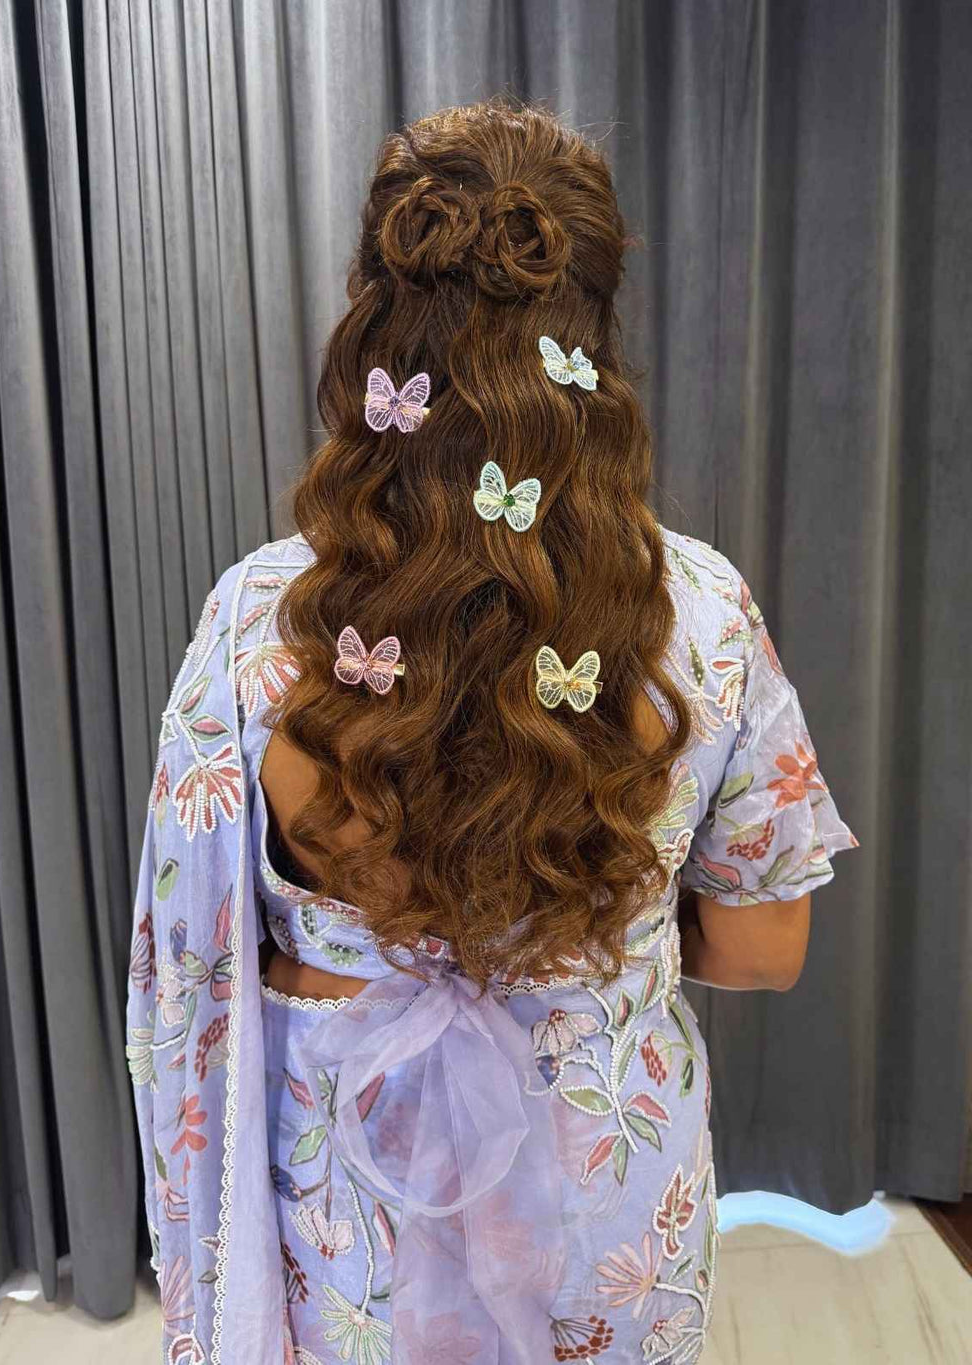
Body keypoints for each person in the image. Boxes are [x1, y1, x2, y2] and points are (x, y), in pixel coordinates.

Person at [125, 96, 857, 1365]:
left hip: (350, 1180)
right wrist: (590, 926)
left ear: (373, 321)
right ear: (594, 332)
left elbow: (194, 955)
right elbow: (761, 947)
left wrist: (373, 957)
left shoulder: (262, 616)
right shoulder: (704, 612)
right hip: (599, 1175)